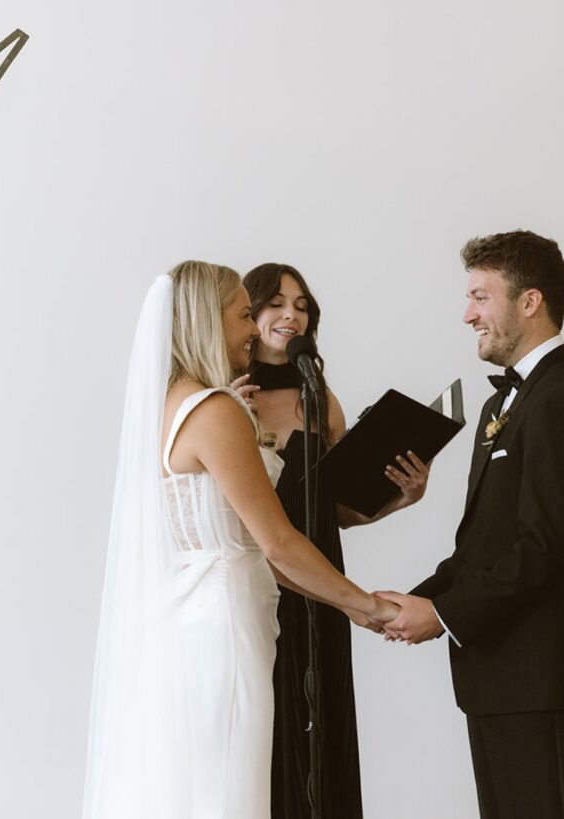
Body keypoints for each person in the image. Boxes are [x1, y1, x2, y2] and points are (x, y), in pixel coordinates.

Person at [82, 261, 397, 819]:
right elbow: (275, 542)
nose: (256, 328)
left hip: (189, 627)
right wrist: (367, 606)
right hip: (226, 633)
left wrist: (346, 602)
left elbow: (255, 547)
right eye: (245, 313)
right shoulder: (217, 410)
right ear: (210, 318)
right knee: (229, 794)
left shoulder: (168, 405)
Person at [378, 231, 564, 819]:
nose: (468, 314)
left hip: (540, 677)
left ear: (529, 301)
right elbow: (483, 547)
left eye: (481, 297)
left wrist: (442, 616)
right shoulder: (502, 404)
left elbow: (544, 547)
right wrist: (414, 601)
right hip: (498, 674)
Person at [240, 262, 431, 819]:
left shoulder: (319, 397)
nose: (290, 315)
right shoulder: (227, 398)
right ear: (248, 314)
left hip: (322, 591)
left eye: (300, 306)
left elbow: (334, 510)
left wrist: (402, 498)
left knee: (323, 734)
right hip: (260, 589)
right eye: (276, 303)